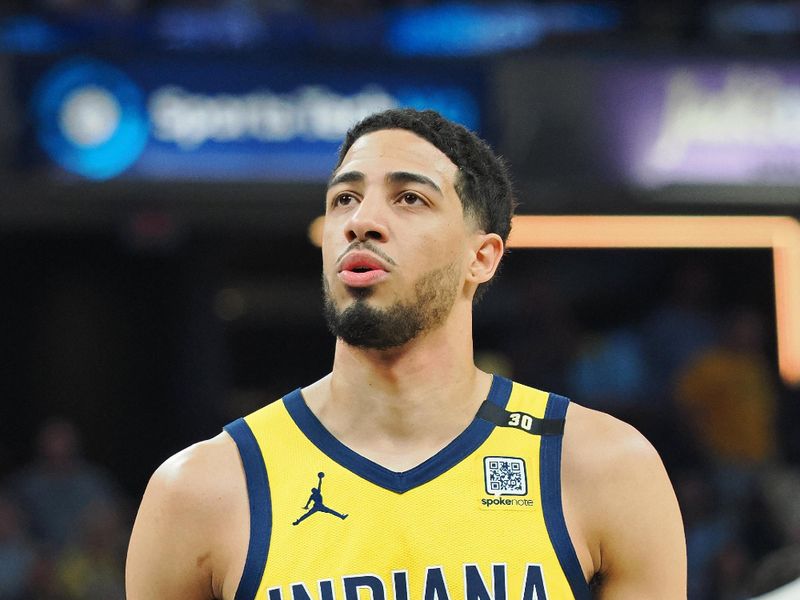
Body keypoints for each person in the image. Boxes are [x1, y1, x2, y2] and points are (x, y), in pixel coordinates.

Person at [126, 108, 686, 599]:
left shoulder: (603, 468)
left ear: (482, 258)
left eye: (409, 198)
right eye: (345, 198)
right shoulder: (200, 492)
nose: (360, 221)